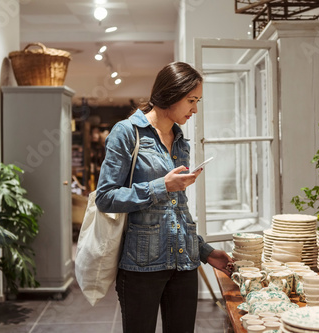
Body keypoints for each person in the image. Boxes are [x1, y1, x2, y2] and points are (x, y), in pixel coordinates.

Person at [95, 61, 233, 333]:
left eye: (198, 101)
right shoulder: (127, 132)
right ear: (171, 94)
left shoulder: (180, 140)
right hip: (141, 266)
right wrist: (161, 186)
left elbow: (177, 210)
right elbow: (105, 197)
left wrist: (205, 252)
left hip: (184, 264)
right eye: (191, 100)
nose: (195, 109)